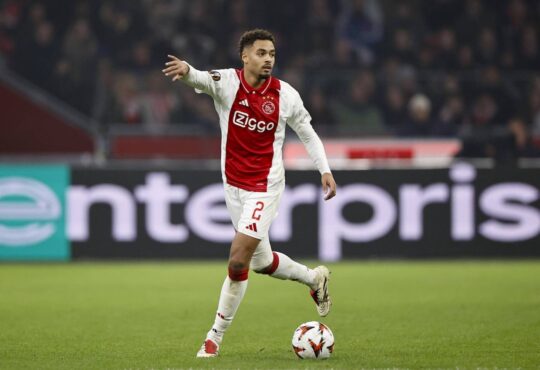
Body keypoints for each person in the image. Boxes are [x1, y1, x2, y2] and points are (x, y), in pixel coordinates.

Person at [162, 29, 337, 358]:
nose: (268, 58)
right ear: (245, 57)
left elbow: (308, 134)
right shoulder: (228, 82)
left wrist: (324, 169)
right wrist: (186, 71)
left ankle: (214, 337)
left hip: (266, 186)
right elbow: (199, 78)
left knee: (238, 257)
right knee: (260, 262)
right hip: (233, 185)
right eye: (261, 53)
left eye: (271, 53)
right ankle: (315, 279)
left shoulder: (285, 95)